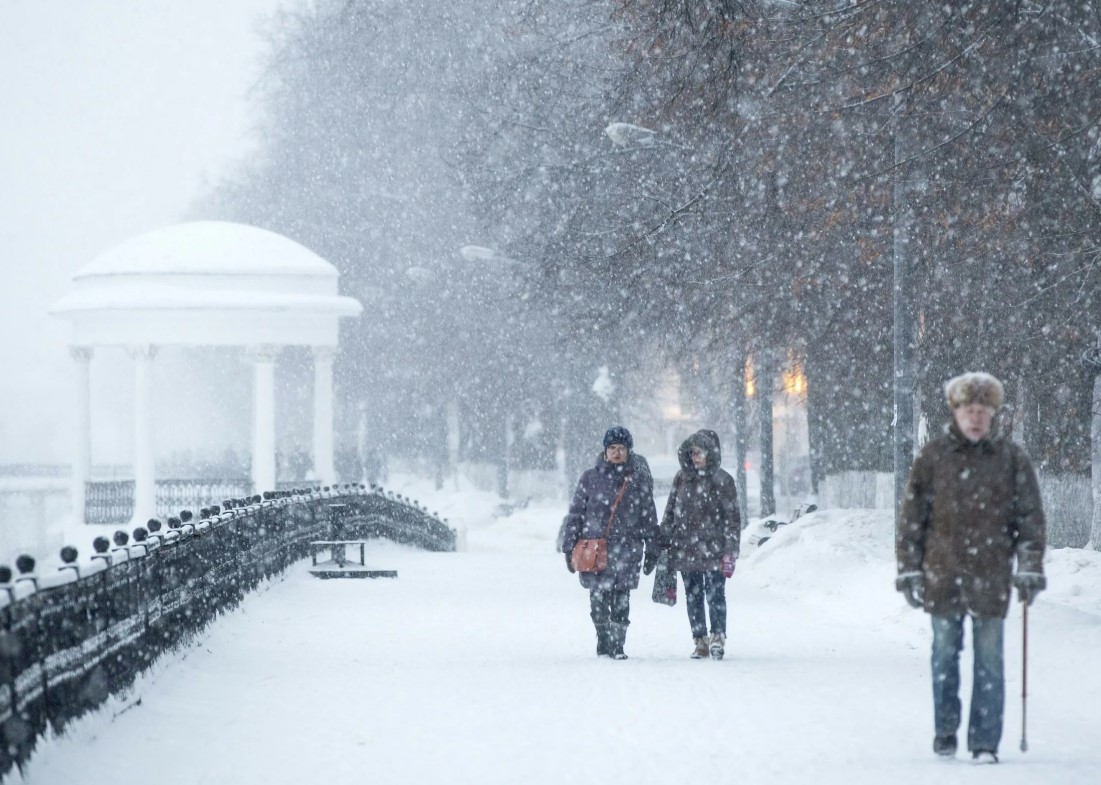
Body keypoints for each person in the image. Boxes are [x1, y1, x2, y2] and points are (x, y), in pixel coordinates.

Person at [896, 372, 1046, 764]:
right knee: (944, 657)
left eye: (983, 411)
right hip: (942, 576)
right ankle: (945, 731)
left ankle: (984, 741)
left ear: (992, 414)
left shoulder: (1011, 460)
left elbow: (1030, 519)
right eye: (969, 410)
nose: (976, 418)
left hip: (991, 577)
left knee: (989, 661)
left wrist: (1029, 565)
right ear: (956, 412)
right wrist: (909, 568)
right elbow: (912, 518)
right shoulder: (933, 458)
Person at [559, 425, 660, 659]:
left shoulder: (637, 480)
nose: (616, 453)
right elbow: (576, 513)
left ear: (629, 451)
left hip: (628, 550)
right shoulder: (590, 478)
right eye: (612, 448)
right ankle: (603, 637)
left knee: (622, 601)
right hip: (596, 552)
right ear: (605, 451)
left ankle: (618, 646)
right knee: (598, 604)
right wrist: (569, 547)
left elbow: (648, 516)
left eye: (621, 448)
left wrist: (653, 547)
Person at [656, 430, 740, 659]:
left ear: (711, 453)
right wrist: (663, 539)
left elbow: (732, 520)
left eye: (700, 452)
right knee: (693, 596)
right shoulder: (681, 478)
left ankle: (718, 638)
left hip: (715, 550)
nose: (695, 457)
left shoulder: (723, 480)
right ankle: (699, 640)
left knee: (715, 594)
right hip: (686, 548)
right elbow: (670, 511)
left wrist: (730, 552)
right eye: (692, 452)